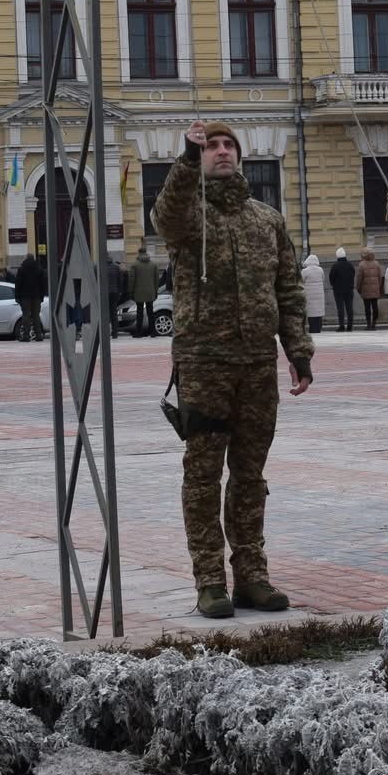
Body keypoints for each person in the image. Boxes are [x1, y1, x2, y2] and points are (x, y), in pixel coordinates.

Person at [153, 119, 312, 620]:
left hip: (257, 365)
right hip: (204, 364)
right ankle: (209, 581)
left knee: (249, 475)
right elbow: (166, 213)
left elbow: (289, 290)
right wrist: (186, 157)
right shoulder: (189, 217)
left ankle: (251, 576)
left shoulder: (267, 221)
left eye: (229, 146)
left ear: (240, 156)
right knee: (203, 475)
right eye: (213, 146)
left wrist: (299, 352)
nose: (221, 151)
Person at [19, 250, 48, 341]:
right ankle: (38, 335)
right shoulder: (39, 269)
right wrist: (42, 296)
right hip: (36, 296)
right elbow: (43, 284)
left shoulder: (22, 269)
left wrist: (17, 297)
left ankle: (26, 336)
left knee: (26, 315)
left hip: (25, 296)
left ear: (26, 258)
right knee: (36, 316)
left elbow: (18, 284)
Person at [356, 248, 384, 331]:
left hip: (365, 289)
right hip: (375, 289)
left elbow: (359, 278)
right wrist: (378, 286)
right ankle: (374, 324)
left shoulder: (361, 265)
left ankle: (368, 324)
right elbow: (380, 277)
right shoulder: (377, 264)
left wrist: (358, 288)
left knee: (367, 307)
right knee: (375, 306)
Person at [328, 247, 355, 332]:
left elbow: (331, 277)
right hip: (349, 289)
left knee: (340, 308)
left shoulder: (335, 266)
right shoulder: (350, 265)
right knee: (349, 307)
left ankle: (342, 326)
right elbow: (353, 275)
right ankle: (350, 326)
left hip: (338, 290)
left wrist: (334, 285)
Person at [300, 252, 326, 334]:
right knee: (318, 314)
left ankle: (313, 329)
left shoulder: (305, 271)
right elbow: (323, 279)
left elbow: (300, 281)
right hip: (319, 295)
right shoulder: (320, 270)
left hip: (309, 295)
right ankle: (318, 328)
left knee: (311, 314)